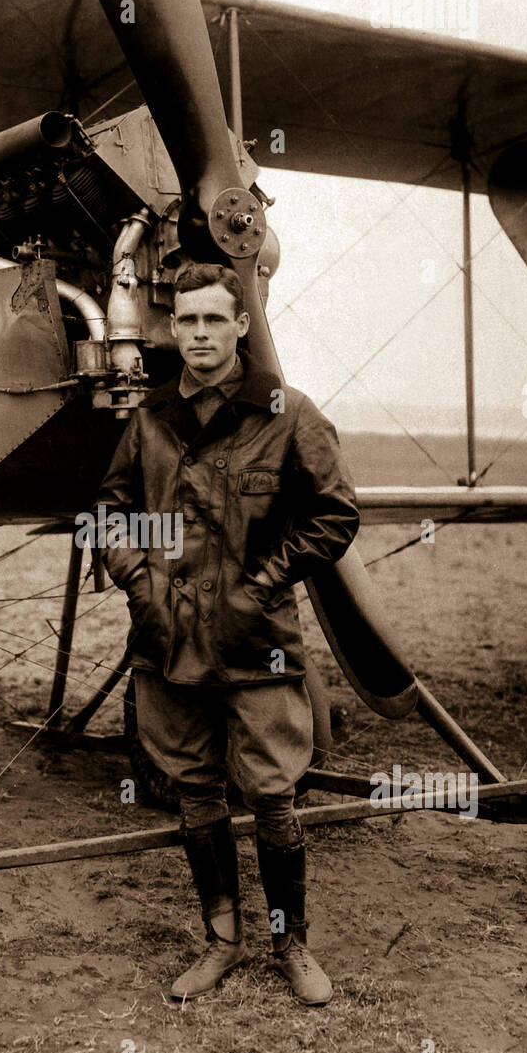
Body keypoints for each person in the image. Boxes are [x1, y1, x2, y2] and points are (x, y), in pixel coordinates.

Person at [96, 261, 360, 1006]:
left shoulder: (288, 413)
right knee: (196, 793)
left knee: (273, 796)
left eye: (214, 319)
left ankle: (291, 943)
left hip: (256, 641)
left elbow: (335, 513)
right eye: (187, 321)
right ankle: (220, 941)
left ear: (241, 324)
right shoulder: (148, 420)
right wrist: (140, 583)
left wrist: (263, 583)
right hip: (168, 639)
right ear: (170, 329)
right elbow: (111, 512)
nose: (200, 335)